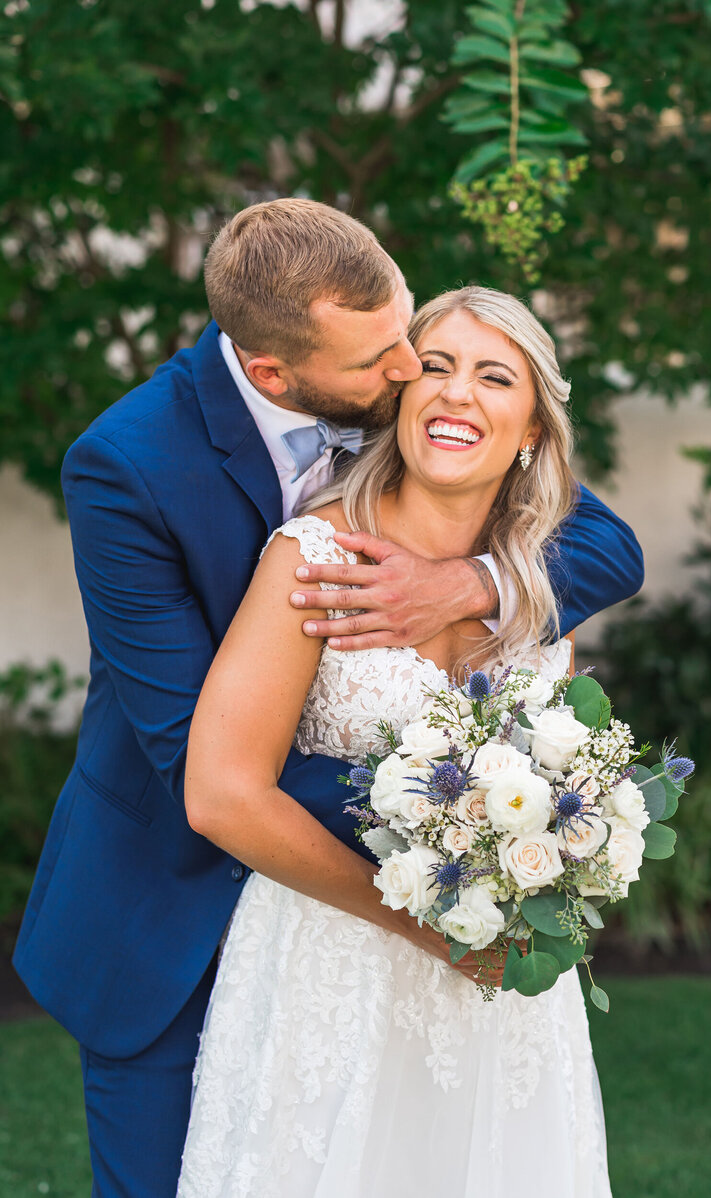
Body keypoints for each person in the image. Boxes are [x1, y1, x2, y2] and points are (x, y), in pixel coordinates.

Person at [13, 201, 640, 1198]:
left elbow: (605, 542)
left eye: (412, 343)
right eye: (394, 363)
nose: (411, 373)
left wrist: (470, 584)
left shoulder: (392, 358)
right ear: (274, 374)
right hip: (169, 903)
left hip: (432, 935)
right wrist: (456, 843)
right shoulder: (126, 468)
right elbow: (202, 762)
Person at [177, 285, 614, 1197]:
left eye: (495, 376)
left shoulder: (545, 592)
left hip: (504, 985)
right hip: (331, 964)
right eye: (437, 368)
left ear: (531, 427)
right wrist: (430, 928)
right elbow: (222, 794)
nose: (457, 394)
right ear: (401, 399)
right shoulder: (316, 557)